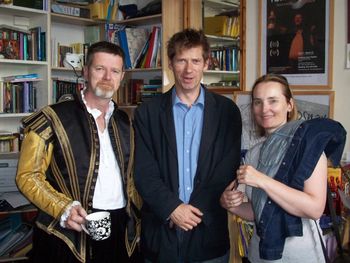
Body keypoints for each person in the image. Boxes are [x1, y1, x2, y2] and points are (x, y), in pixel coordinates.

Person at [16, 41, 142, 263]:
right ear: (86, 71)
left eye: (114, 71)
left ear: (122, 76)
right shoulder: (50, 118)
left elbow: (129, 180)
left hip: (120, 230)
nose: (107, 77)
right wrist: (63, 208)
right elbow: (27, 176)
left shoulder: (125, 121)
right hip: (67, 233)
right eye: (99, 68)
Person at [133, 28, 242, 262]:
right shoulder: (147, 112)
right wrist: (173, 208)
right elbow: (143, 171)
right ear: (170, 64)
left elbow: (226, 170)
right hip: (162, 231)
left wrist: (191, 212)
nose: (188, 69)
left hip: (208, 229)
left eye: (195, 60)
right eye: (181, 60)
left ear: (206, 63)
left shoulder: (227, 112)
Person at [220, 74, 346, 263]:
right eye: (258, 102)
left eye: (273, 101)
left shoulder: (307, 148)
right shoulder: (254, 154)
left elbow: (314, 209)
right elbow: (258, 212)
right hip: (260, 255)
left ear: (289, 105)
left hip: (300, 256)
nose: (265, 109)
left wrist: (262, 181)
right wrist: (231, 205)